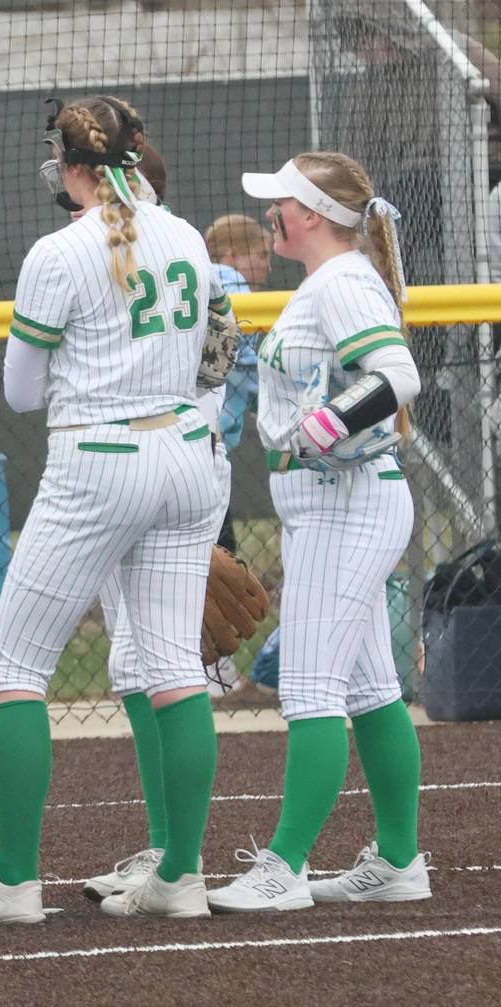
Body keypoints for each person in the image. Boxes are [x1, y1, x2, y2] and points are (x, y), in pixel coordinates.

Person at [0, 95, 231, 924]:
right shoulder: (187, 234)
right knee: (172, 670)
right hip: (187, 455)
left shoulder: (59, 251)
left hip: (102, 459)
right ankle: (182, 876)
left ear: (76, 165)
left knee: (11, 671)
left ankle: (14, 879)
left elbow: (19, 391)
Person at [206, 153, 427, 912]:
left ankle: (285, 865)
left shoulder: (340, 280)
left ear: (309, 214)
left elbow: (397, 376)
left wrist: (316, 430)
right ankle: (398, 859)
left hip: (346, 497)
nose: (271, 215)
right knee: (368, 687)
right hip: (334, 499)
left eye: (280, 203)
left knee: (309, 686)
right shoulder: (330, 280)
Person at [85, 129, 239, 904]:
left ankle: (180, 855)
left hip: (138, 463)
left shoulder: (101, 257)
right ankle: (166, 850)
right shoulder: (193, 259)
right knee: (138, 665)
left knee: (163, 665)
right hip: (183, 463)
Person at [206, 214, 273, 454]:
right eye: (262, 255)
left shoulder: (203, 277)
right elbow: (238, 352)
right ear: (233, 255)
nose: (269, 266)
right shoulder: (232, 280)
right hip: (213, 428)